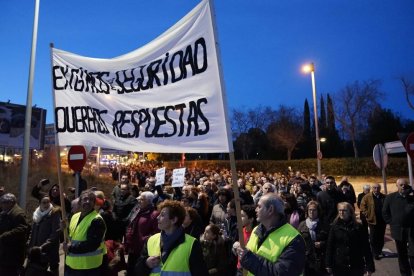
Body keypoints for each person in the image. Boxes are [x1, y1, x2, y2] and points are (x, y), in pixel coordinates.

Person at [233, 193, 305, 275]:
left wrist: (247, 257)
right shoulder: (256, 230)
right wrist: (240, 251)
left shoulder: (294, 239)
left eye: (259, 207)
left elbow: (280, 273)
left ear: (270, 210)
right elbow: (248, 256)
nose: (256, 210)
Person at [136, 200, 208, 276]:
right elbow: (138, 270)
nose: (157, 217)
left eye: (162, 215)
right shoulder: (151, 240)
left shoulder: (192, 244)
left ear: (174, 220)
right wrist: (146, 263)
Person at [63, 190, 107, 276]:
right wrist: (63, 229)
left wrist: (71, 247)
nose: (88, 202)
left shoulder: (97, 220)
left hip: (88, 268)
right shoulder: (75, 216)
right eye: (85, 199)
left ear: (94, 203)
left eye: (91, 200)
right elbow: (71, 237)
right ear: (79, 202)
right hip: (71, 265)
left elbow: (92, 244)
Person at [325, 202, 375, 276]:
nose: (341, 212)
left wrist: (369, 266)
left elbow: (366, 247)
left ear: (350, 212)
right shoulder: (334, 227)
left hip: (356, 265)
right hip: (339, 265)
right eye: (340, 210)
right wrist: (328, 264)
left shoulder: (358, 227)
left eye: (344, 210)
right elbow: (330, 246)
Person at [382, 178, 414, 275]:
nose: (403, 187)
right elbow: (385, 212)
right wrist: (392, 222)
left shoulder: (412, 198)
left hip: (412, 230)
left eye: (405, 185)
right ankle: (405, 273)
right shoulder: (390, 198)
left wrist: (411, 193)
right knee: (402, 254)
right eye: (401, 185)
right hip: (398, 230)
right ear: (397, 186)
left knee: (413, 254)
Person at [124, 191, 159, 276]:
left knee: (139, 272)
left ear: (149, 201)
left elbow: (157, 233)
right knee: (130, 271)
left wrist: (145, 240)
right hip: (132, 249)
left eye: (142, 199)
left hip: (143, 251)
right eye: (139, 199)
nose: (139, 201)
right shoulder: (136, 211)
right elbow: (129, 225)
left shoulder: (154, 215)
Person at [27, 195, 61, 276]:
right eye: (44, 202)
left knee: (51, 271)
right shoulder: (36, 214)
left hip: (48, 250)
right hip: (35, 250)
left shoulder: (54, 213)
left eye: (48, 202)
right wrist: (29, 242)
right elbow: (33, 231)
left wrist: (43, 246)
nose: (46, 204)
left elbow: (55, 233)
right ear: (40, 204)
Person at [298, 201, 330, 276]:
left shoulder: (324, 224)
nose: (312, 212)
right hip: (307, 261)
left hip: (321, 260)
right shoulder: (302, 224)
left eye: (314, 210)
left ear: (318, 211)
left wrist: (322, 244)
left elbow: (330, 241)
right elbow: (297, 242)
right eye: (310, 210)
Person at [0, 193, 29, 276]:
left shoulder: (18, 214)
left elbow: (22, 229)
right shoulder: (5, 213)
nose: (1, 205)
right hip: (4, 254)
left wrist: (3, 236)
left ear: (10, 203)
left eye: (3, 203)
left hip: (13, 255)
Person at [360, 183, 386, 260]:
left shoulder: (384, 197)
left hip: (382, 221)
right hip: (372, 220)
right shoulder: (367, 197)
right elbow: (362, 206)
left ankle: (379, 250)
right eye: (374, 188)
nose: (376, 189)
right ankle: (375, 253)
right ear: (372, 188)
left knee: (381, 237)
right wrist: (367, 214)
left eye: (378, 188)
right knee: (373, 237)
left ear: (380, 188)